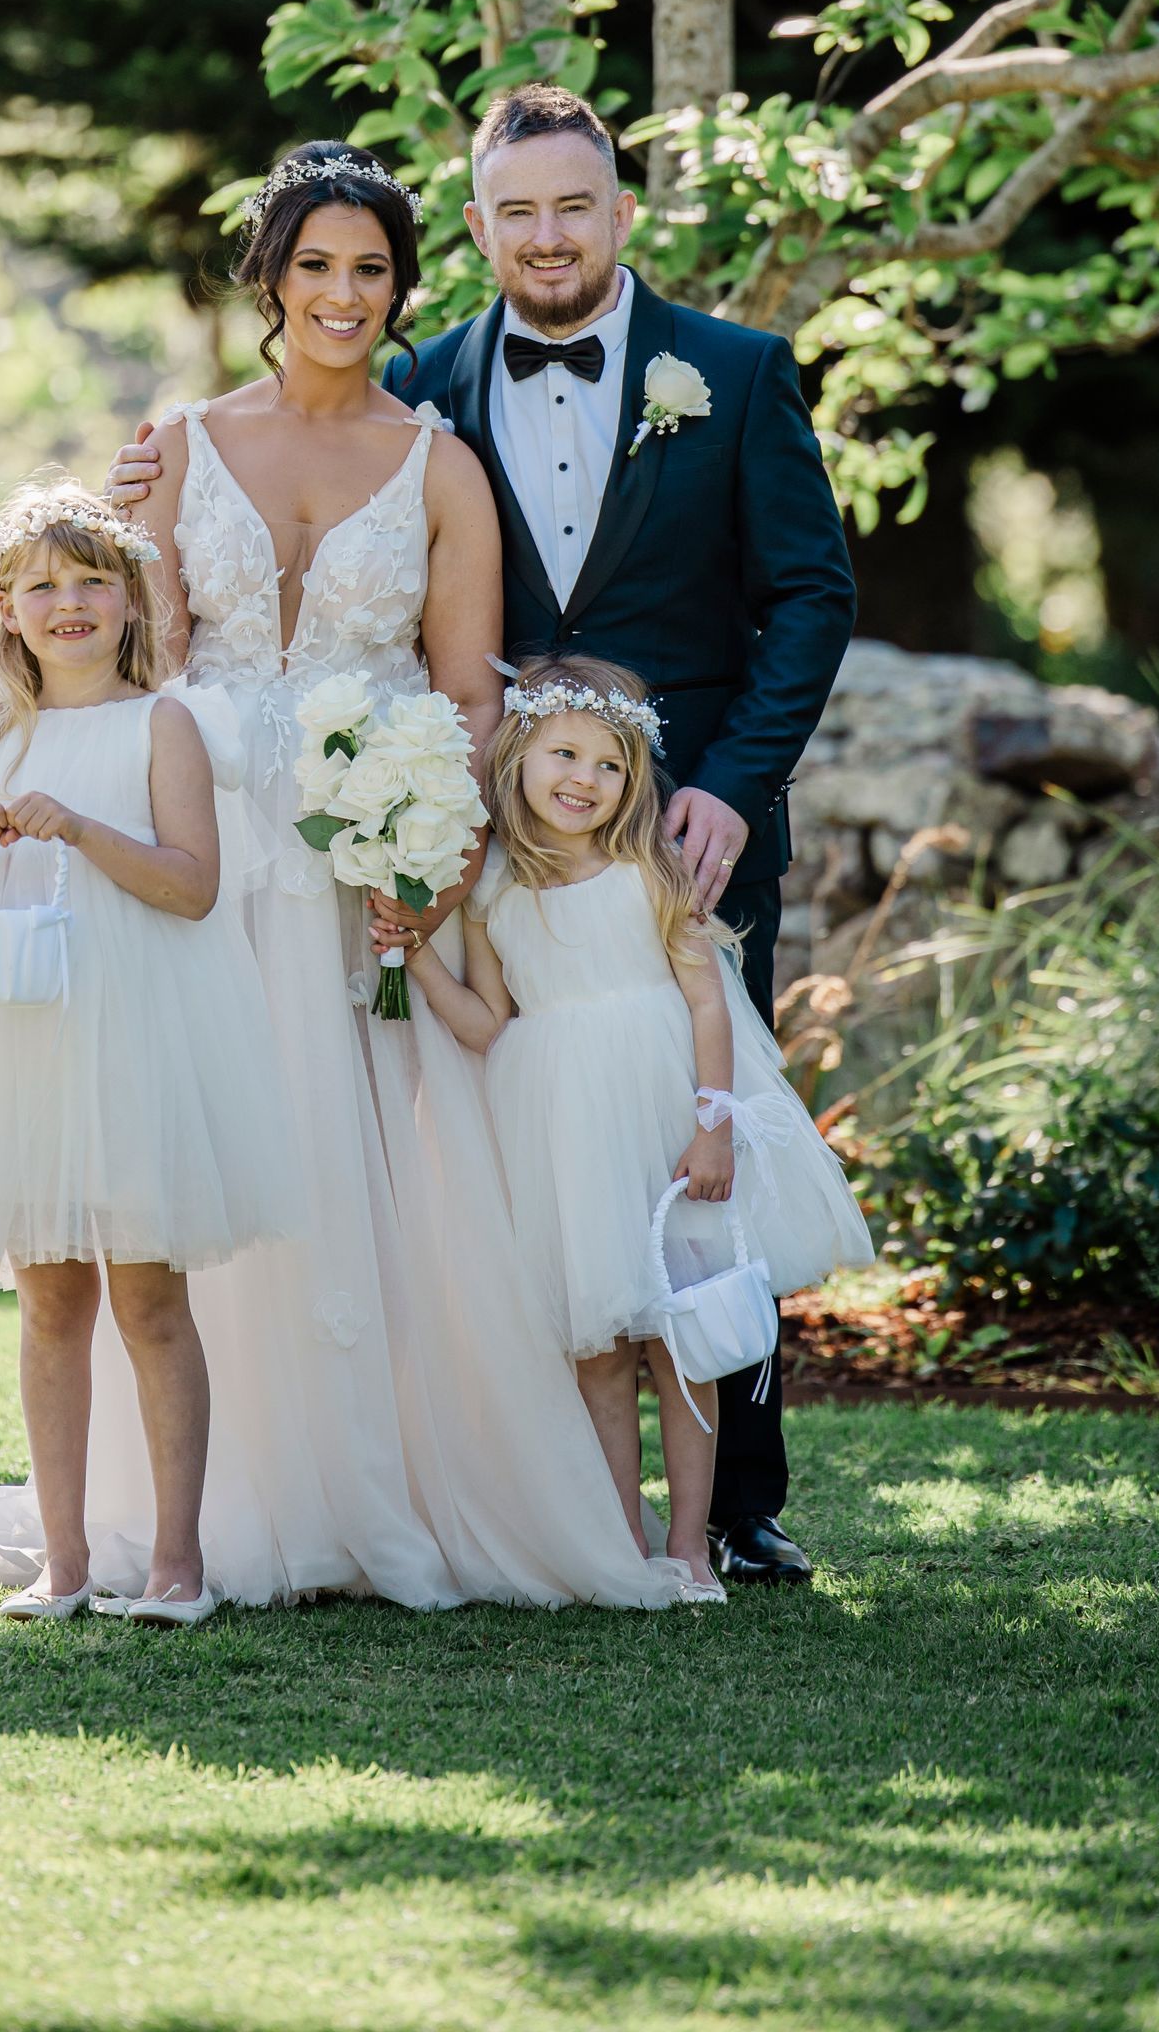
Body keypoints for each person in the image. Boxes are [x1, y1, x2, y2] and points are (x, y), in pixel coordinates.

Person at [110, 92, 856, 1586]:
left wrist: (722, 784)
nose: (549, 235)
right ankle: (426, 1479)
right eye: (516, 213)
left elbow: (809, 598)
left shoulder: (735, 373)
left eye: (573, 207)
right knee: (509, 1164)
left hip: (673, 836)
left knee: (698, 1158)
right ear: (475, 231)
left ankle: (735, 1509)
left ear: (622, 210)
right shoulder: (433, 384)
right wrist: (129, 512)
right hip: (454, 845)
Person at [374, 657, 872, 1599]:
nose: (584, 780)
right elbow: (487, 1026)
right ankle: (616, 1542)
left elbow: (710, 1004)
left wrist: (713, 1125)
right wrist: (414, 959)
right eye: (564, 754)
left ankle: (689, 1545)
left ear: (635, 778)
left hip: (660, 1112)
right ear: (518, 755)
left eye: (610, 765)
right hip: (558, 1124)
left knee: (681, 1338)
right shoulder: (493, 896)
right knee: (596, 1351)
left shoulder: (653, 870)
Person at [0, 475, 297, 1627]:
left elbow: (191, 886)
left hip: (134, 1027)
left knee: (148, 1296)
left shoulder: (165, 723)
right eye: (41, 587)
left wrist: (79, 825)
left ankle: (177, 1563)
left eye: (90, 583)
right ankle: (63, 1561)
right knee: (47, 1300)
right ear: (8, 611)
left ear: (130, 601)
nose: (67, 603)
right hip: (24, 1028)